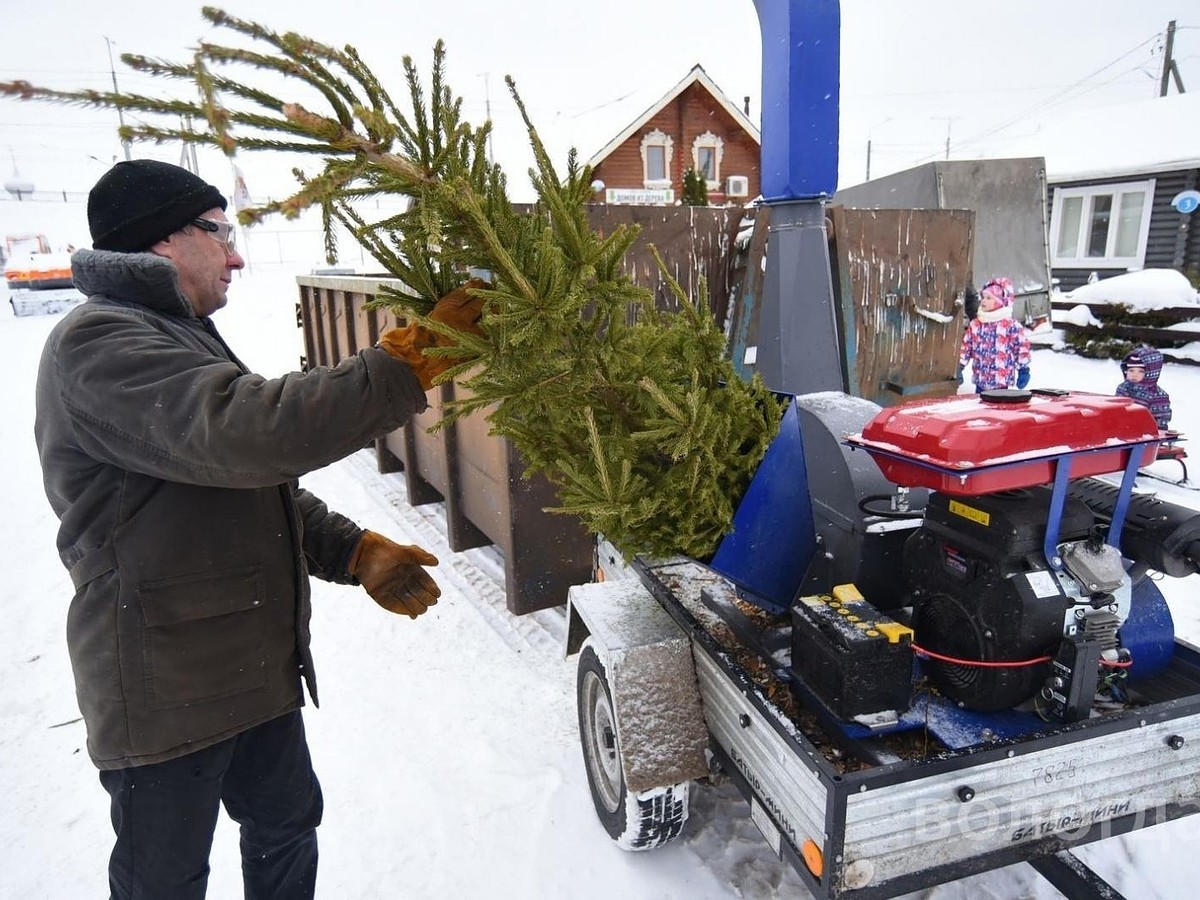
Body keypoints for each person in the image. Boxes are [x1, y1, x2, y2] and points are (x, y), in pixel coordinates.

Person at [35, 159, 484, 900]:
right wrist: (405, 363)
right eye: (221, 232)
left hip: (253, 671)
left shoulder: (177, 332)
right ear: (162, 242)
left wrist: (353, 551)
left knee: (285, 825)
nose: (237, 254)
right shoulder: (100, 345)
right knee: (163, 880)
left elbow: (238, 487)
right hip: (164, 689)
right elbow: (248, 432)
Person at [956, 276, 1031, 392]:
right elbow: (966, 347)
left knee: (999, 409)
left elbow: (1021, 348)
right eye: (983, 297)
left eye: (989, 298)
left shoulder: (1010, 325)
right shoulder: (976, 324)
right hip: (981, 380)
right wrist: (959, 367)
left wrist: (1023, 369)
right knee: (982, 407)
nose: (983, 301)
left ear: (999, 302)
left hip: (1001, 381)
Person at [1117, 345, 1172, 431]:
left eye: (1140, 371)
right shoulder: (1122, 388)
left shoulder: (1157, 395)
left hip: (1144, 434)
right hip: (1121, 430)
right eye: (1131, 370)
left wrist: (1157, 433)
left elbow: (1161, 420)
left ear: (1150, 373)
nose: (1134, 375)